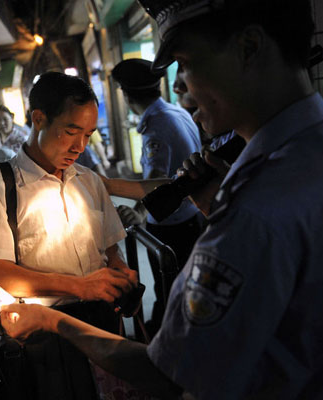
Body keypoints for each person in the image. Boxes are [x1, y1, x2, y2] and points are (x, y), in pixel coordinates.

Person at [0, 0, 323, 398]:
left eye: (186, 63)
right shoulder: (308, 151)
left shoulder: (258, 204)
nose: (178, 85)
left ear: (249, 48)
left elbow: (169, 372)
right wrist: (215, 205)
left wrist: (53, 322)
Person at [0, 72, 138, 399]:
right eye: (71, 131)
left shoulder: (89, 180)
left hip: (102, 322)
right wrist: (79, 285)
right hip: (43, 335)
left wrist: (119, 269)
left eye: (88, 135)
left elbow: (110, 247)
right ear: (38, 119)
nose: (80, 146)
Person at [112, 58, 203, 333]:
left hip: (172, 226)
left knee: (172, 292)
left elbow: (154, 182)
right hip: (193, 217)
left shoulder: (156, 126)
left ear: (126, 96)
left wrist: (139, 211)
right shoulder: (176, 112)